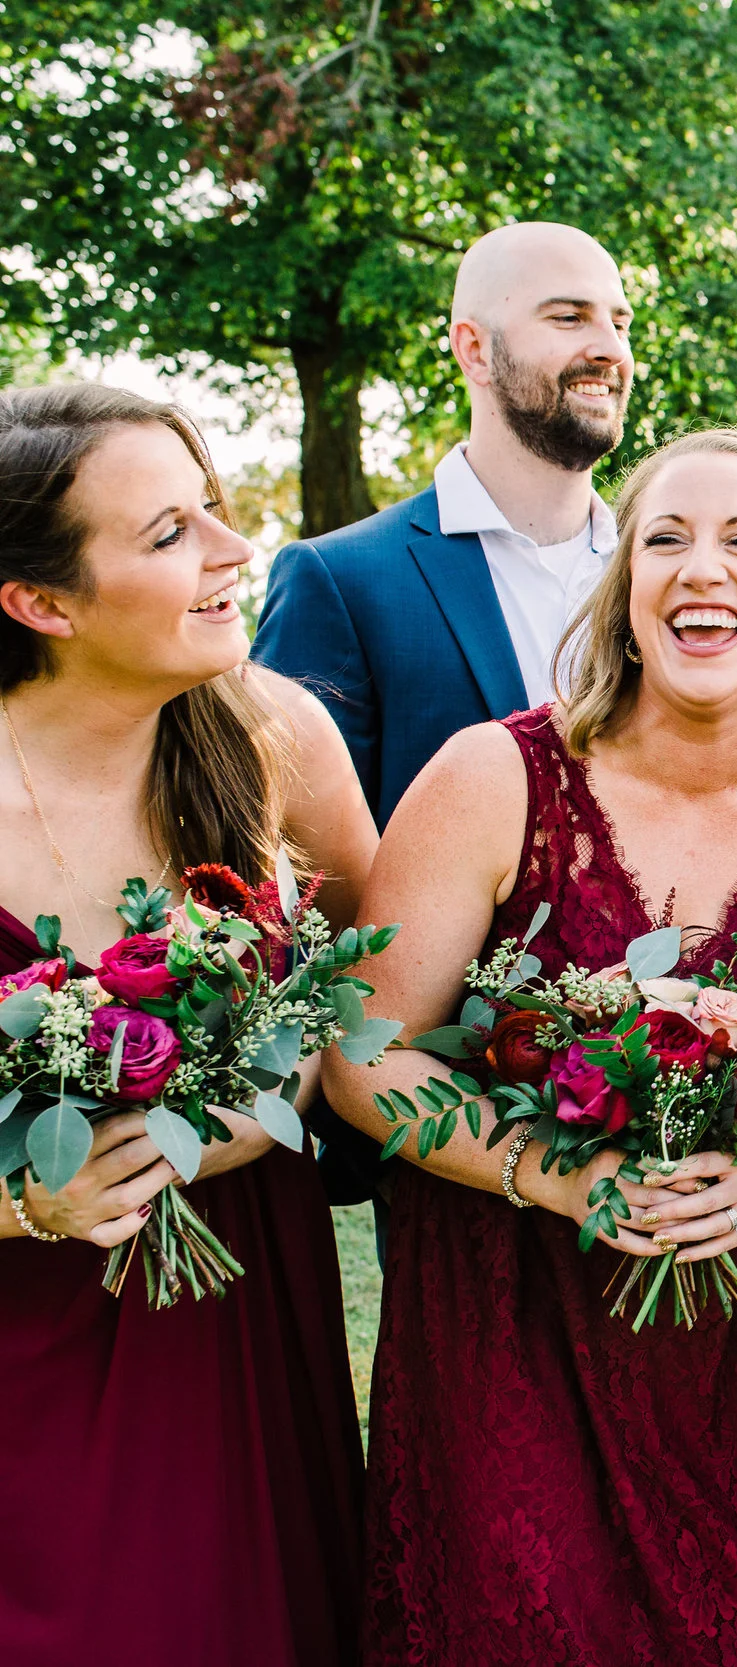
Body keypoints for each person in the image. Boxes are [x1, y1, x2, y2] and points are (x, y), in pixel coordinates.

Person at [327, 429, 737, 1665]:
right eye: (664, 538)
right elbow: (363, 1052)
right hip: (513, 1324)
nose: (700, 568)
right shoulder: (493, 776)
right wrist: (566, 1173)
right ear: (624, 582)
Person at [0, 382, 377, 1664]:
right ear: (41, 604)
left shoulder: (281, 740)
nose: (232, 549)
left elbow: (371, 1011)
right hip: (24, 1336)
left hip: (237, 1315)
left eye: (212, 508)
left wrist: (236, 1114)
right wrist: (12, 1195)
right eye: (169, 533)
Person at [256, 220, 633, 1209]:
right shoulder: (343, 578)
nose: (608, 346)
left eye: (619, 320)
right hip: (445, 1119)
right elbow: (291, 860)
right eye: (568, 316)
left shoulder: (680, 577)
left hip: (679, 1089)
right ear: (471, 345)